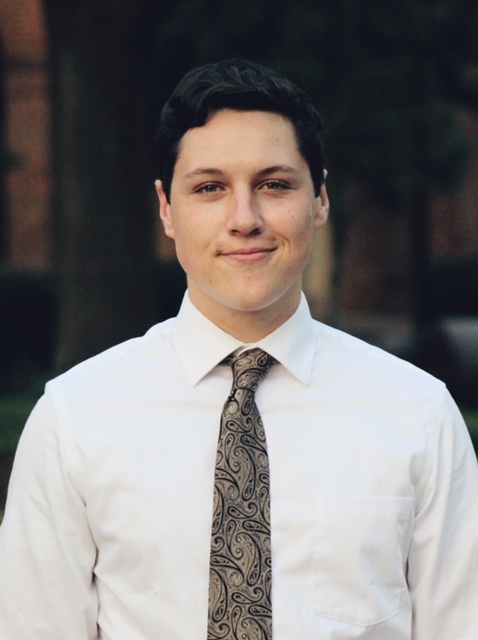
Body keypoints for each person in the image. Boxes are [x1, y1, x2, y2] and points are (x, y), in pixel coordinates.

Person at [0, 58, 477, 640]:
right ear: (167, 208)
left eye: (274, 185)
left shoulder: (419, 415)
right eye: (210, 188)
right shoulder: (75, 419)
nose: (244, 218)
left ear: (320, 199)